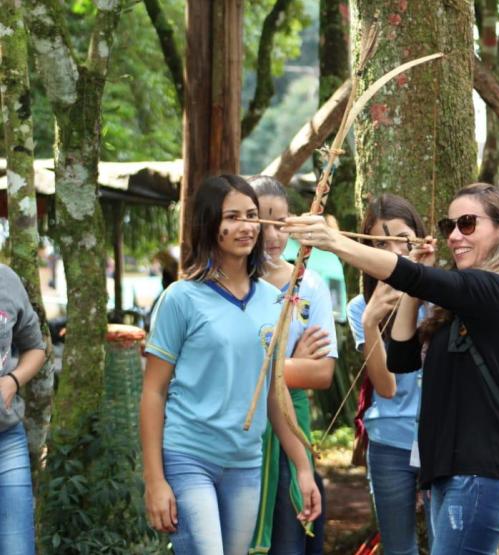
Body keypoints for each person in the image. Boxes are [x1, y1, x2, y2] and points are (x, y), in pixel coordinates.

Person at [286, 183, 499, 554]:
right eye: (449, 225)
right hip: (456, 475)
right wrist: (406, 293)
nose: (453, 235)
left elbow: (413, 277)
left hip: (481, 476)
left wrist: (335, 241)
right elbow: (401, 358)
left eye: (467, 224)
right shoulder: (461, 301)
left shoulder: (496, 289)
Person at [140, 174, 321, 555]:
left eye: (252, 216)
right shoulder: (181, 298)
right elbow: (153, 392)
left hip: (245, 463)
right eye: (232, 216)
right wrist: (154, 480)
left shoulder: (274, 302)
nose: (246, 226)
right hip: (188, 457)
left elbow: (274, 394)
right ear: (210, 224)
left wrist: (303, 468)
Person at [248, 175, 338, 555]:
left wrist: (273, 368)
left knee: (289, 539)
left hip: (291, 429)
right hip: (239, 434)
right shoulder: (230, 285)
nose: (274, 235)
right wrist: (290, 365)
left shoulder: (309, 285)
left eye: (281, 223)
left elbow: (322, 373)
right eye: (263, 222)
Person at [345, 194, 432, 555]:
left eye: (403, 238)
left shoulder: (441, 298)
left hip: (440, 440)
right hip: (389, 443)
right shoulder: (360, 308)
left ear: (420, 239)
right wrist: (371, 322)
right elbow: (386, 386)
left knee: (449, 543)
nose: (394, 250)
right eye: (380, 243)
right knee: (399, 549)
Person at [0, 265, 48, 555]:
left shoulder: (7, 280)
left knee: (17, 548)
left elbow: (36, 348)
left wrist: (12, 381)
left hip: (6, 440)